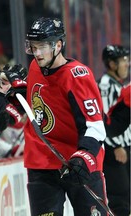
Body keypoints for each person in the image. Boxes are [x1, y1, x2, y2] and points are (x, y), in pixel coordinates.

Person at [23, 17, 107, 215]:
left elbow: (95, 125)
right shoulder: (35, 68)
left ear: (58, 45)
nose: (37, 53)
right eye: (33, 47)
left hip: (79, 165)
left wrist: (83, 156)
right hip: (42, 164)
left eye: (42, 46)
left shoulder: (77, 76)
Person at [97, 44, 130, 216]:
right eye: (123, 60)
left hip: (124, 148)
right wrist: (116, 146)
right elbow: (104, 120)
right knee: (120, 197)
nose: (127, 64)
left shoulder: (117, 84)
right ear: (111, 64)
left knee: (126, 196)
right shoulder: (106, 86)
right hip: (114, 150)